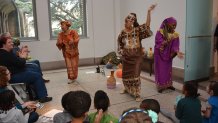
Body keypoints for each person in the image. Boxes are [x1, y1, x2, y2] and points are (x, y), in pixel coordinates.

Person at [117, 4, 156, 101]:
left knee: (135, 75)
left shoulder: (137, 30)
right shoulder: (122, 33)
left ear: (134, 22)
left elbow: (147, 25)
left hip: (136, 57)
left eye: (132, 20)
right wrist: (122, 52)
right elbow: (120, 44)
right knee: (126, 75)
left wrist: (148, 12)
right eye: (129, 19)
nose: (130, 21)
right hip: (126, 57)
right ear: (126, 20)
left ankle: (137, 94)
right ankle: (127, 89)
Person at [0, 34, 52, 103]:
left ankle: (35, 94)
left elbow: (17, 62)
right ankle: (42, 97)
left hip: (15, 72)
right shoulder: (5, 54)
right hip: (12, 76)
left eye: (11, 41)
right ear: (4, 44)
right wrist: (23, 56)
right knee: (36, 76)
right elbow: (20, 63)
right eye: (9, 42)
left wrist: (22, 55)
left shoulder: (6, 52)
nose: (12, 43)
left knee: (34, 69)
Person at [154, 17, 184, 93]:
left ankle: (168, 84)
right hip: (159, 55)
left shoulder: (175, 34)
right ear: (167, 24)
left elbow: (175, 46)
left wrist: (177, 52)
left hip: (168, 55)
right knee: (161, 70)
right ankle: (160, 86)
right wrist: (168, 40)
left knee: (168, 70)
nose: (174, 27)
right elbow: (159, 43)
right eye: (173, 25)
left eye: (175, 25)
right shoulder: (160, 32)